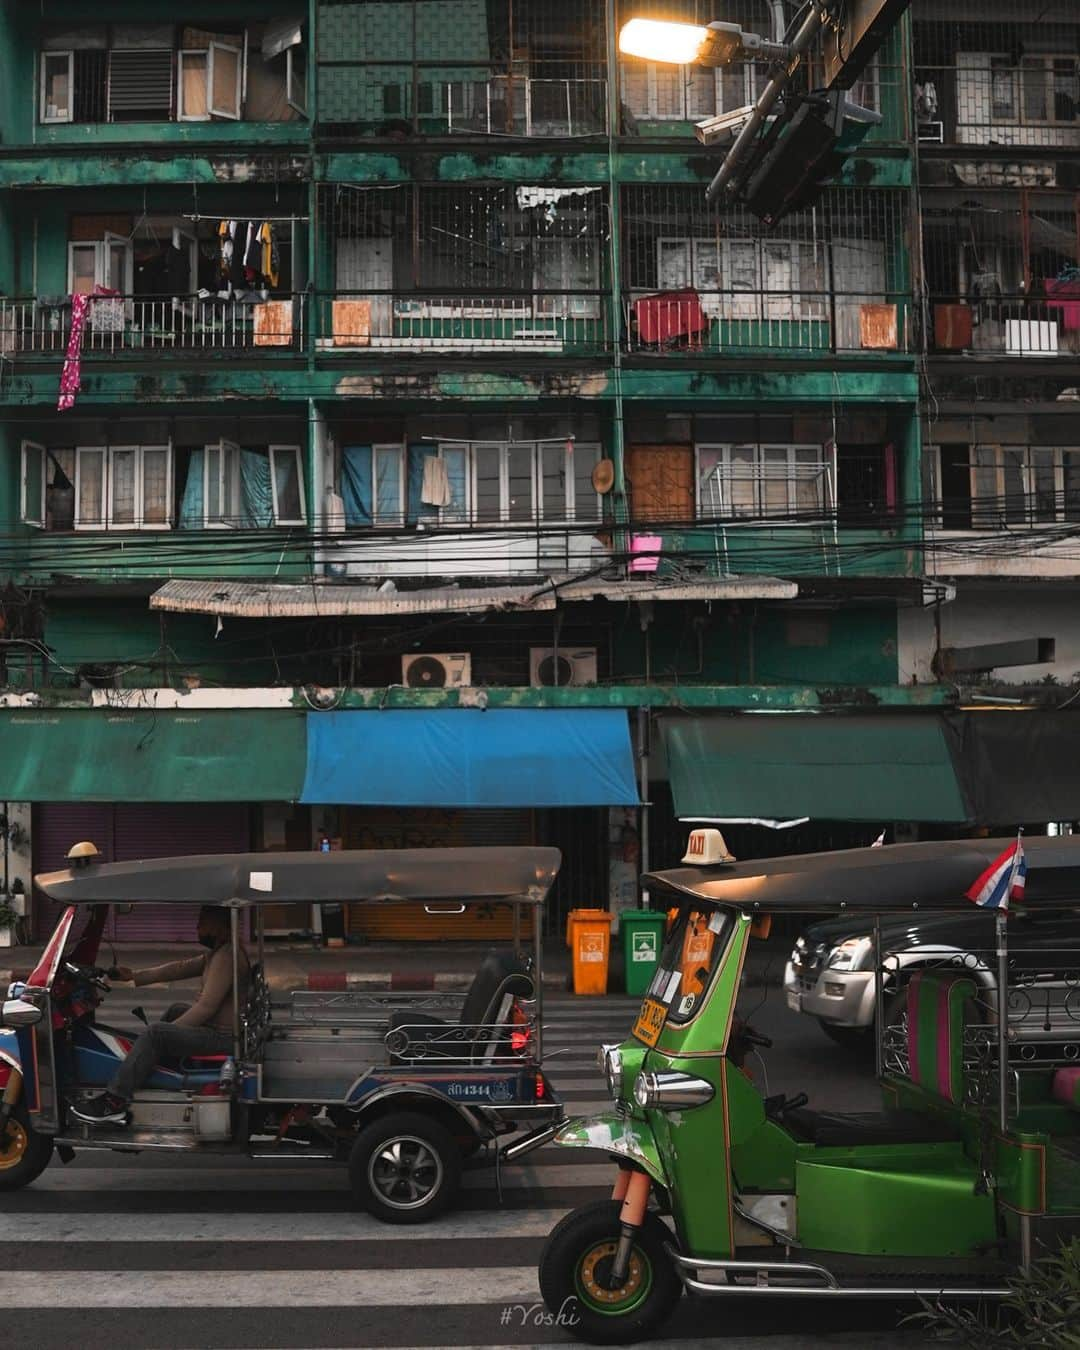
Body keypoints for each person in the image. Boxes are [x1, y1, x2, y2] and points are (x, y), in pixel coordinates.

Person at [71, 905, 250, 1126]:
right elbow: (179, 968)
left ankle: (114, 1101)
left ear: (220, 925)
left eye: (203, 921)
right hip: (220, 1029)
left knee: (156, 1034)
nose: (197, 926)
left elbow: (206, 1008)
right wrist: (133, 976)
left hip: (223, 1037)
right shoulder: (220, 952)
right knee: (175, 1011)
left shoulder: (227, 957)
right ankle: (151, 1062)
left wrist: (167, 1035)